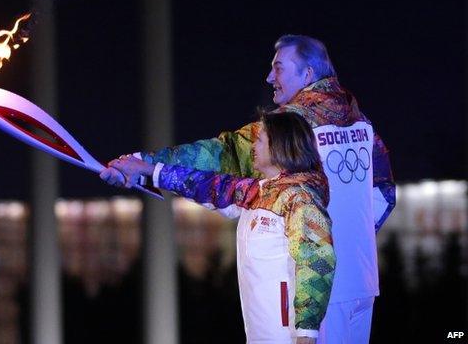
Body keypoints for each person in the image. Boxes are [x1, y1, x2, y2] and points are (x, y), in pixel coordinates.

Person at [102, 34, 396, 344]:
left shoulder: (288, 127)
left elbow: (221, 155)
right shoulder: (361, 123)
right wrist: (343, 239)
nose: (270, 77)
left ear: (307, 74)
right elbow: (385, 194)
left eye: (279, 68)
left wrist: (141, 164)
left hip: (314, 290)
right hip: (361, 283)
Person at [104, 112, 335, 343]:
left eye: (260, 140)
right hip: (260, 333)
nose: (253, 146)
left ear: (279, 146)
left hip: (290, 335)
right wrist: (146, 170)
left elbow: (316, 260)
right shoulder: (256, 192)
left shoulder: (300, 199)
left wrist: (307, 332)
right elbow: (203, 185)